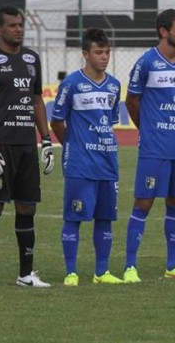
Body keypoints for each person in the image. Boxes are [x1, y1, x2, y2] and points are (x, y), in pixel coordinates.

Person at [0, 5, 54, 289]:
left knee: (27, 208)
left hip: (26, 146)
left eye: (21, 25)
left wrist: (45, 139)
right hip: (0, 146)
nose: (19, 29)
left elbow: (36, 101)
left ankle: (26, 274)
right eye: (13, 25)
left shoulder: (32, 58)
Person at [123, 9, 175, 282]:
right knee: (144, 201)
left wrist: (174, 120)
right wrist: (148, 128)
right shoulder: (146, 62)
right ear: (163, 32)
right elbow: (132, 100)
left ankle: (173, 266)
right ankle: (130, 267)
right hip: (154, 146)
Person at [50, 28, 123, 286]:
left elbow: (110, 122)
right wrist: (73, 145)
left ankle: (101, 272)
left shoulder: (114, 85)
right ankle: (71, 272)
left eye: (107, 52)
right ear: (85, 54)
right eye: (98, 52)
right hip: (80, 164)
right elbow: (57, 121)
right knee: (74, 217)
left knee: (105, 218)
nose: (104, 57)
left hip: (108, 162)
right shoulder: (71, 83)